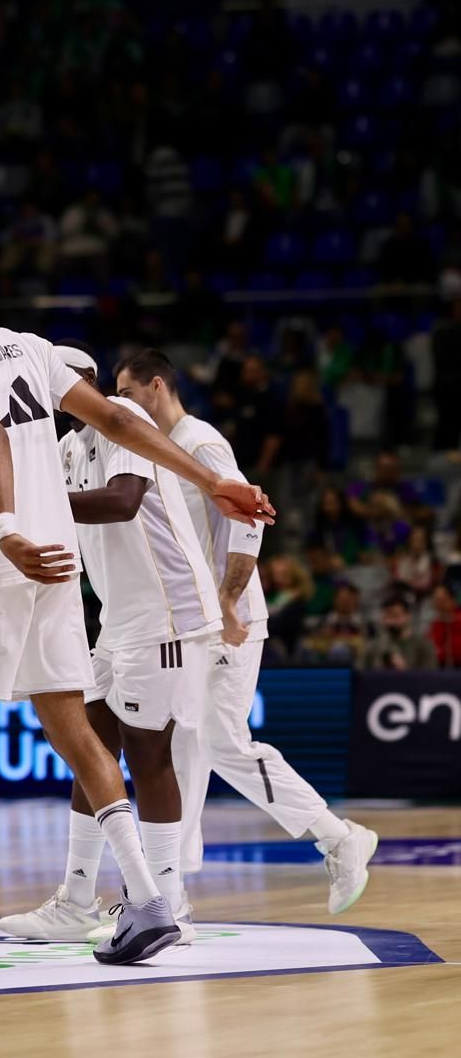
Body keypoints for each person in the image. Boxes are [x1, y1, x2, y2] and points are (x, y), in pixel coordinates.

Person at [0, 248, 270, 969]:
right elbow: (120, 423)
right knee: (75, 726)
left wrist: (3, 528)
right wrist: (213, 482)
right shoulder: (31, 347)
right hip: (58, 570)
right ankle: (149, 902)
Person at [114, 350, 376, 914]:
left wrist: (230, 598)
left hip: (228, 619)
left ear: (156, 386)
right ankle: (169, 894)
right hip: (192, 620)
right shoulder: (156, 451)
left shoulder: (201, 442)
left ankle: (338, 837)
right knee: (182, 742)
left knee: (219, 741)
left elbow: (251, 515)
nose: (121, 405)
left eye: (127, 392)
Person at [0, 343, 219, 946]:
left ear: (85, 382)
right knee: (88, 748)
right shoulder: (62, 451)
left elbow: (123, 502)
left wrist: (40, 507)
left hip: (169, 615)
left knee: (150, 756)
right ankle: (76, 899)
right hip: (118, 621)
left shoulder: (129, 421)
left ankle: (169, 904)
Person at [360, 592, 438, 671]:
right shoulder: (374, 646)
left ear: (408, 616)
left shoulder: (423, 645)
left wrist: (405, 670)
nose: (390, 621)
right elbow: (362, 674)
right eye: (386, 616)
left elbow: (429, 678)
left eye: (395, 616)